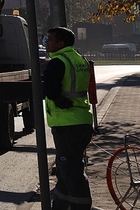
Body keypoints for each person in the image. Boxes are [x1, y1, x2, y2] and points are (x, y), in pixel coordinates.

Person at [43, 26, 95, 210]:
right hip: (82, 120)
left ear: (61, 43)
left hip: (67, 124)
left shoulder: (58, 61)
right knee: (65, 170)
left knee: (71, 172)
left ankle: (81, 207)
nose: (46, 41)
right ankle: (60, 206)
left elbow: (50, 90)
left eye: (50, 39)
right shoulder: (78, 58)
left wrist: (56, 98)